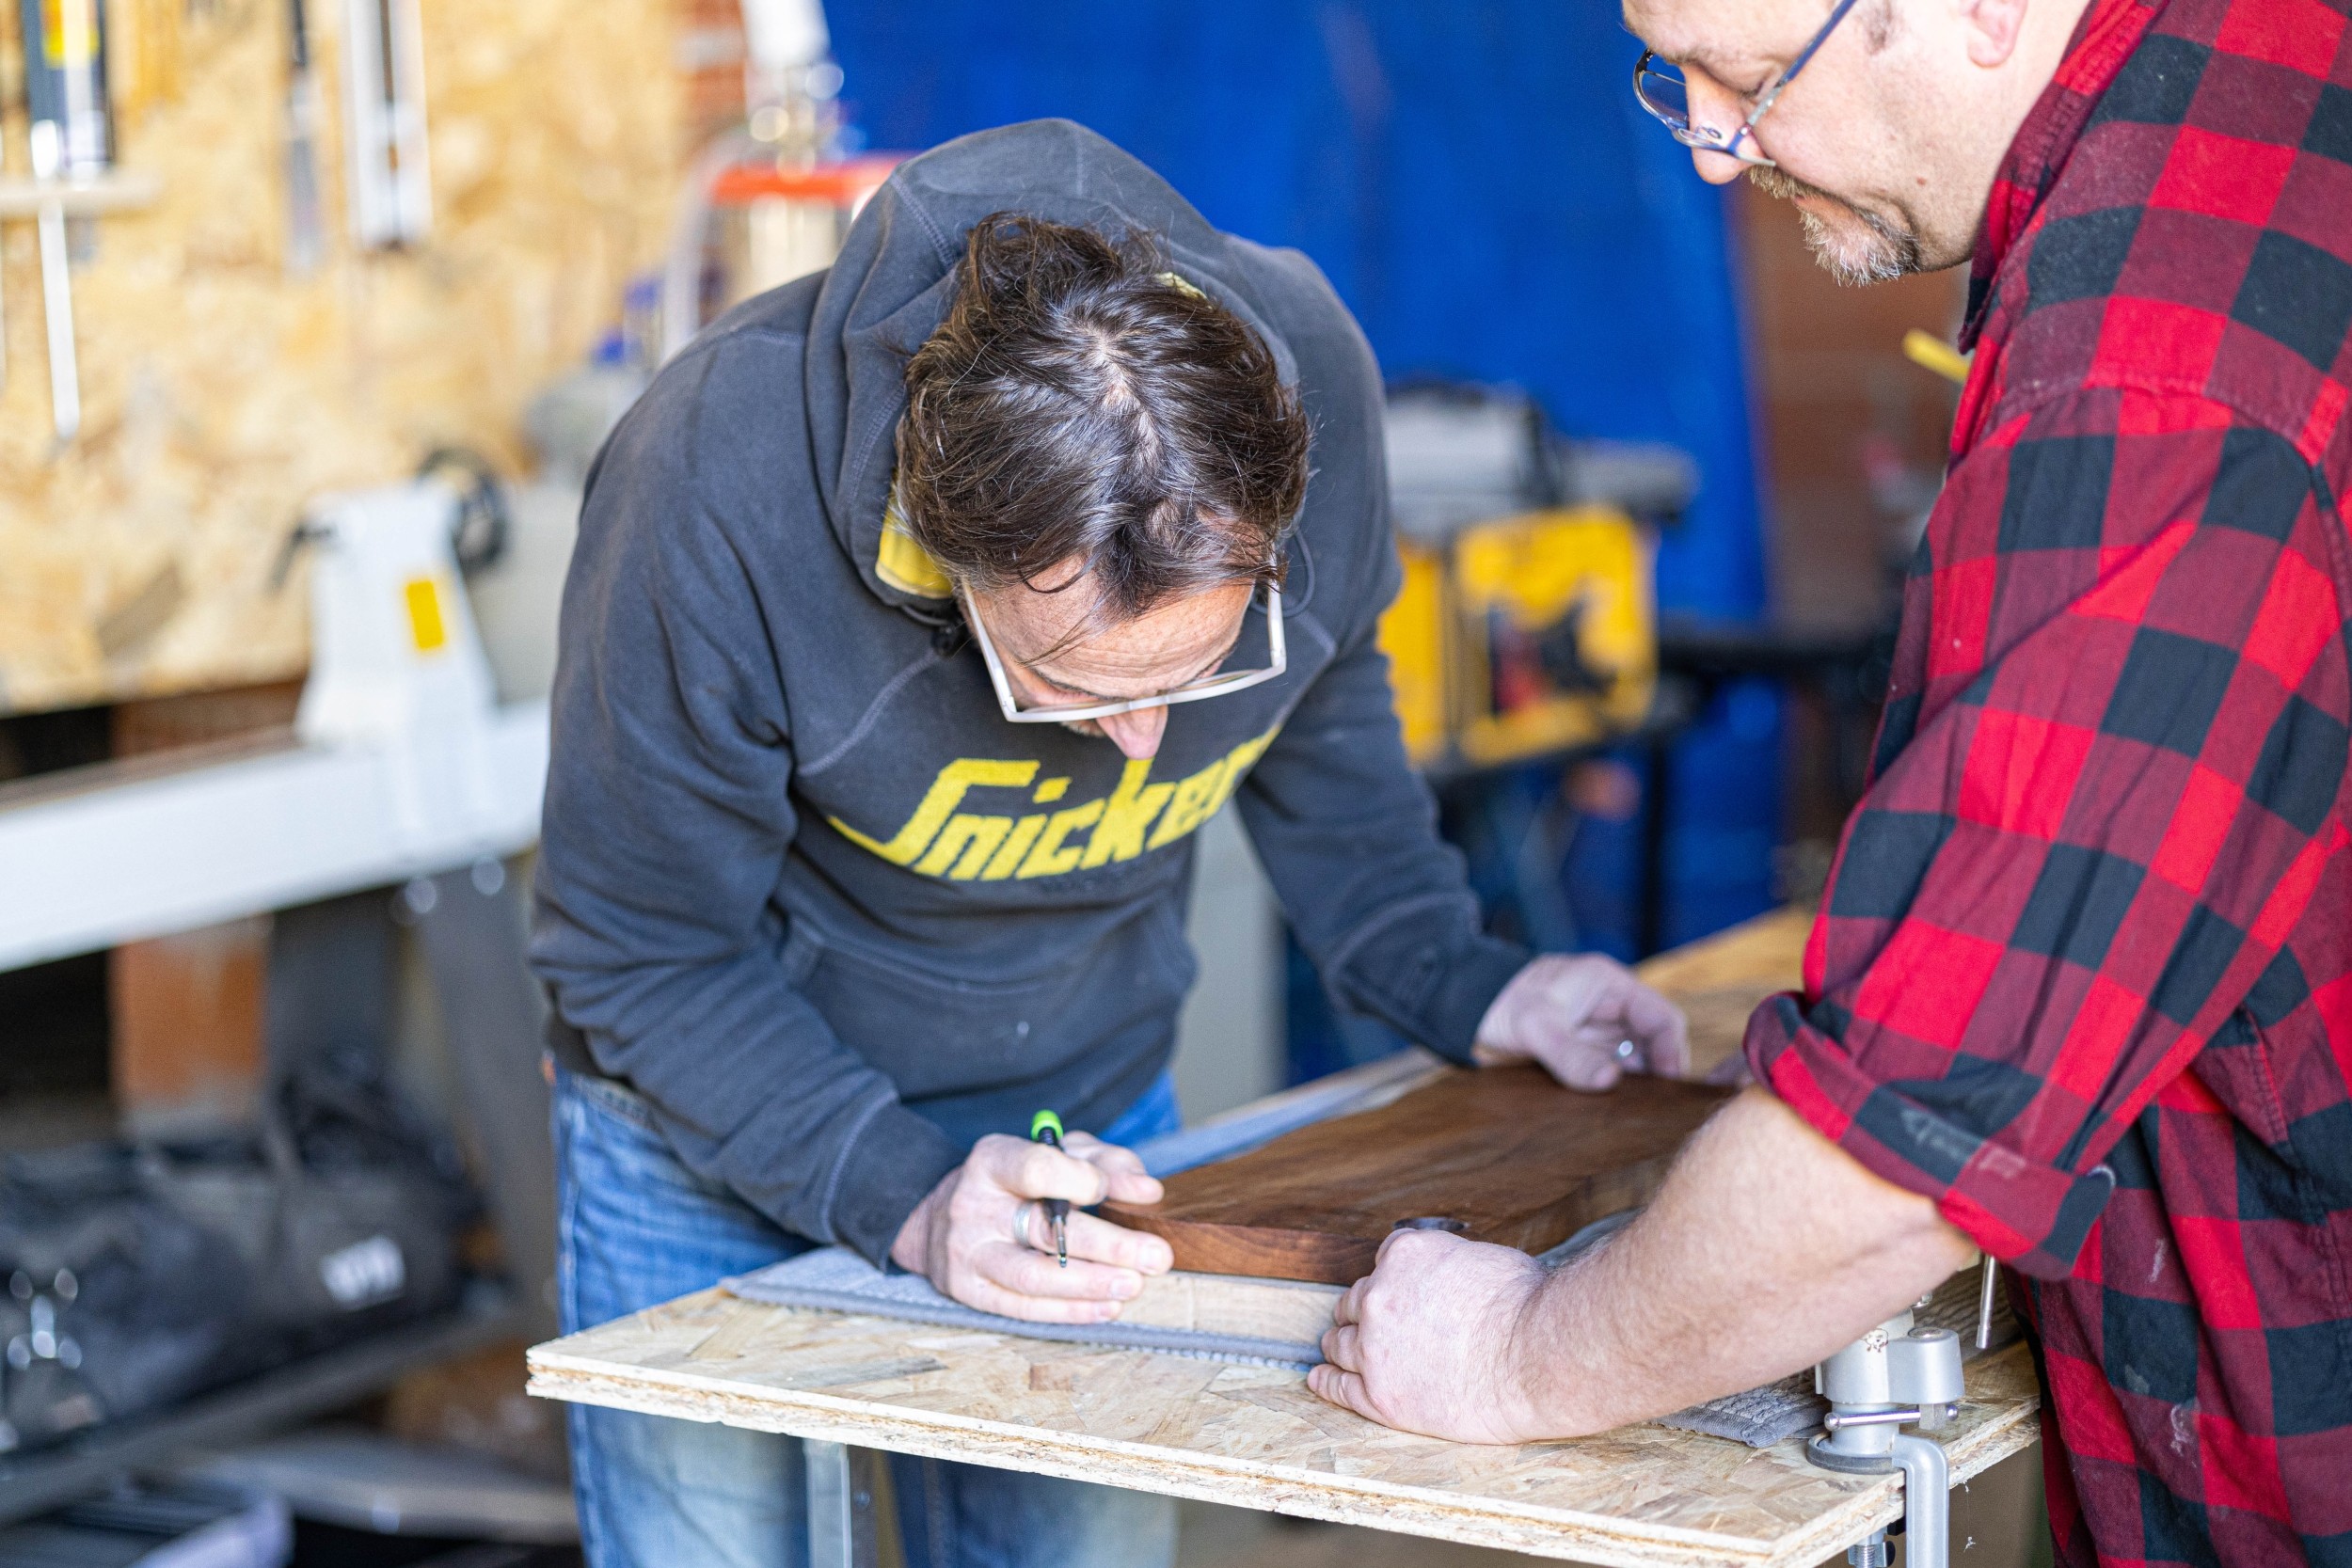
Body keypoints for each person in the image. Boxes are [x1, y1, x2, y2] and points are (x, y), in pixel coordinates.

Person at [531, 119, 1689, 1568]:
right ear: (943, 550)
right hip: (721, 1121)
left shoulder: (1307, 375)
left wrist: (1472, 981)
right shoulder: (713, 482)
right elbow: (641, 954)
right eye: (1071, 692)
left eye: (1193, 676)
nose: (1145, 747)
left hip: (1075, 1137)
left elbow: (1321, 702)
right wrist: (902, 1197)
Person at [1311, 2, 2352, 1564]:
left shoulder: (2149, 393)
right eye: (1678, 80)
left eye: (1752, 77)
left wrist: (1525, 1351)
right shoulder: (2277, 72)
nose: (1721, 151)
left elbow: (1906, 1149)